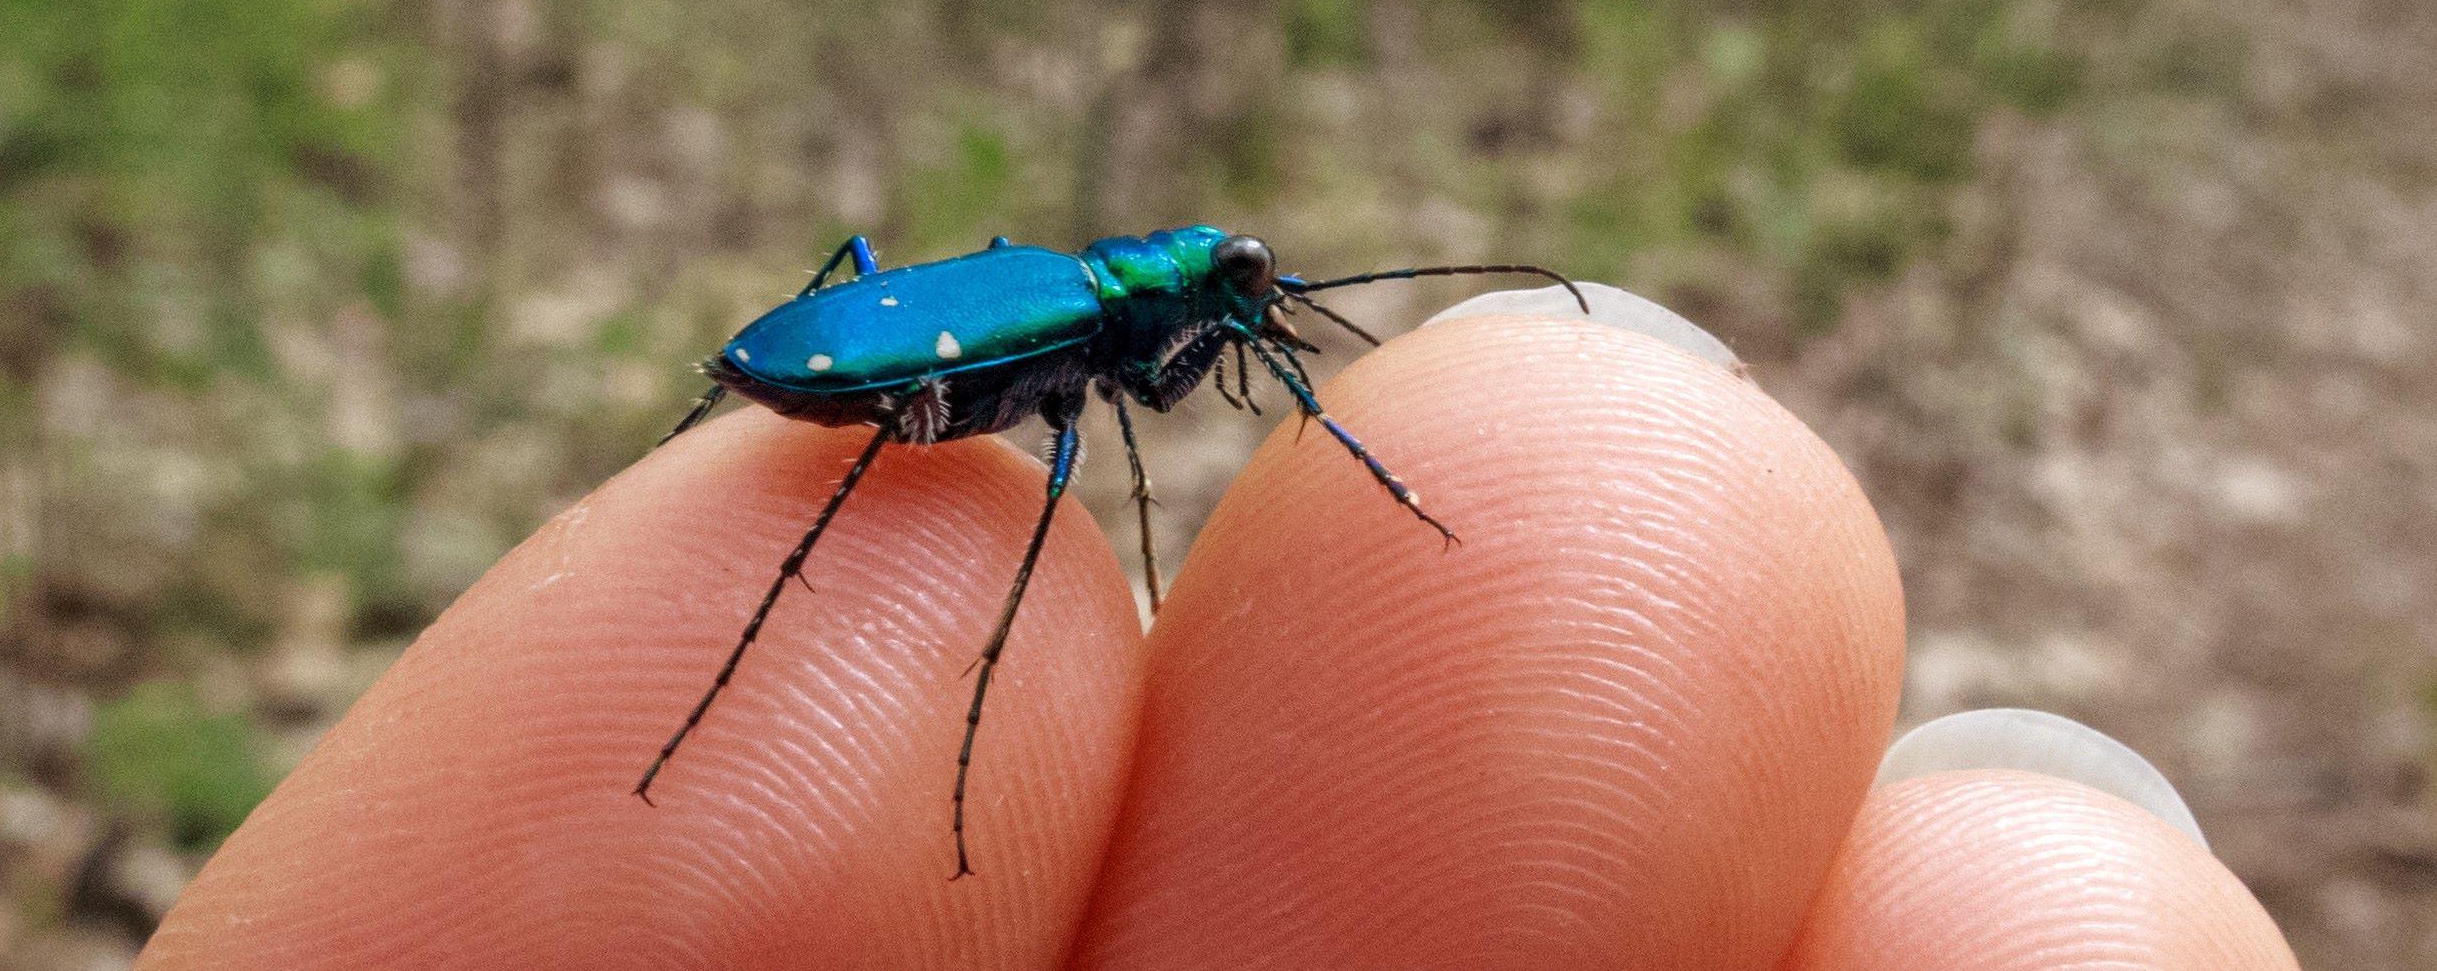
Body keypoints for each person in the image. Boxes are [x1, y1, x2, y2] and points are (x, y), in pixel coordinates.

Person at [139, 307, 2298, 968]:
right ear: (1177, 291)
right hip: (889, 369)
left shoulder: (1136, 314)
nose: (1262, 324)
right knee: (966, 557)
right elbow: (1158, 420)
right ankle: (777, 671)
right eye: (1242, 298)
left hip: (882, 349)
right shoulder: (1096, 333)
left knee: (1008, 527)